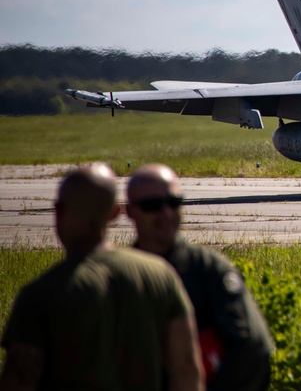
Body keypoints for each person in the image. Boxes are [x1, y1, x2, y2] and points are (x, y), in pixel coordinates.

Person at [0, 163, 203, 391]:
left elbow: (19, 380)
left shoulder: (42, 294)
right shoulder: (161, 274)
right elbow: (186, 367)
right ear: (116, 213)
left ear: (59, 211)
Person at [126, 164, 273, 391]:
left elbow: (252, 350)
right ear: (130, 212)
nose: (165, 213)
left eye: (174, 202)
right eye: (152, 206)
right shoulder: (116, 277)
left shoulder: (209, 271)